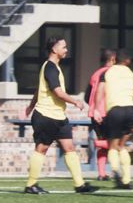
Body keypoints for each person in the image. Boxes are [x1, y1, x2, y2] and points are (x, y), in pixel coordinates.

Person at [23, 36, 98, 194]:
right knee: (41, 149)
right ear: (54, 49)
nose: (66, 50)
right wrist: (75, 101)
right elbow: (57, 92)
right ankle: (31, 185)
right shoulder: (50, 67)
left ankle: (80, 185)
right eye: (63, 47)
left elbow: (39, 89)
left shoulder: (53, 68)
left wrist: (30, 106)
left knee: (69, 148)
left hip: (58, 117)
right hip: (46, 116)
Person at [95, 49, 133, 190]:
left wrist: (97, 109)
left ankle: (115, 170)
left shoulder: (107, 72)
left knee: (112, 146)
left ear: (114, 60)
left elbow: (100, 90)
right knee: (122, 146)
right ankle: (127, 180)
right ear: (128, 62)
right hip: (130, 110)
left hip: (115, 111)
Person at [85, 49, 117, 181]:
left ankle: (102, 173)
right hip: (105, 113)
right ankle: (95, 142)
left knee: (106, 146)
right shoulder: (111, 73)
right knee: (116, 143)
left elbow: (87, 96)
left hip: (95, 113)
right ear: (113, 59)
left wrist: (93, 108)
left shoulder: (95, 73)